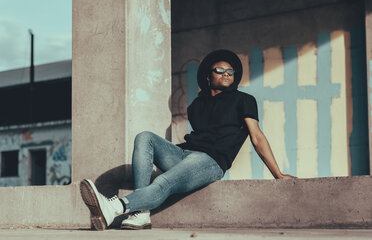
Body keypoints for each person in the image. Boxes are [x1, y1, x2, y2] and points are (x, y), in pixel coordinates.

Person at [79, 49, 295, 231]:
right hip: (184, 154)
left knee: (164, 182)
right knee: (145, 137)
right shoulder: (196, 106)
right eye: (220, 70)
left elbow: (257, 137)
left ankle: (115, 207)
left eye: (231, 71)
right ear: (208, 77)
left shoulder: (244, 100)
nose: (227, 74)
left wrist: (278, 174)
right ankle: (141, 213)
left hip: (211, 161)